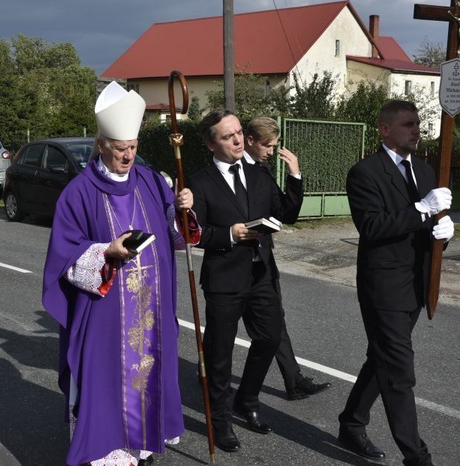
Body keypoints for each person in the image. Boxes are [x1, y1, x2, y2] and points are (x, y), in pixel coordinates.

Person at [42, 81, 200, 466]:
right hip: (105, 316)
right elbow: (64, 258)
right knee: (107, 388)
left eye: (132, 148)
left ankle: (141, 452)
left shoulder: (150, 180)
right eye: (119, 149)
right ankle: (107, 453)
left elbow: (176, 236)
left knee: (149, 379)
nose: (127, 157)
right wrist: (106, 253)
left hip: (152, 310)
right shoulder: (78, 193)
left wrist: (182, 208)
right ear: (100, 145)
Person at [337, 100, 454, 466]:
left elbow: (429, 225)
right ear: (385, 130)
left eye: (417, 123)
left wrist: (444, 233)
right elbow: (372, 227)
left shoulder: (423, 169)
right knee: (399, 370)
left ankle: (351, 422)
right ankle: (417, 456)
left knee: (382, 358)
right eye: (408, 124)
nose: (416, 129)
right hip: (383, 286)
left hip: (416, 282)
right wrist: (421, 209)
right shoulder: (365, 173)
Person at [187, 109, 299, 453]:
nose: (237, 140)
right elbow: (194, 234)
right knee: (219, 355)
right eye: (227, 136)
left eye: (238, 133)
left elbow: (286, 214)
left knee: (269, 339)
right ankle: (218, 422)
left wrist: (294, 176)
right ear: (211, 144)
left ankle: (246, 399)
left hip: (261, 273)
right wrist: (229, 235)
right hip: (224, 278)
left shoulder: (259, 173)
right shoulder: (200, 182)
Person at [243, 117, 331, 400]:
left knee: (275, 321)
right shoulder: (234, 167)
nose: (271, 151)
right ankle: (209, 377)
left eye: (274, 146)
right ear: (250, 140)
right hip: (236, 261)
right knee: (224, 326)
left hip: (264, 260)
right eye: (267, 145)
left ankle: (294, 382)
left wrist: (295, 175)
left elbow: (286, 213)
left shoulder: (263, 168)